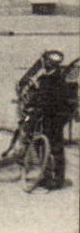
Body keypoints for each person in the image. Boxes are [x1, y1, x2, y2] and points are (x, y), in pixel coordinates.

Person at [27, 50, 74, 189]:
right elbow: (40, 96)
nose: (43, 63)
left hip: (56, 118)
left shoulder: (57, 79)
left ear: (50, 63)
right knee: (43, 145)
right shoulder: (46, 77)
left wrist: (39, 108)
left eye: (45, 61)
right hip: (47, 116)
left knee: (56, 147)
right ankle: (46, 176)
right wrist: (32, 104)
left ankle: (57, 180)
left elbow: (55, 100)